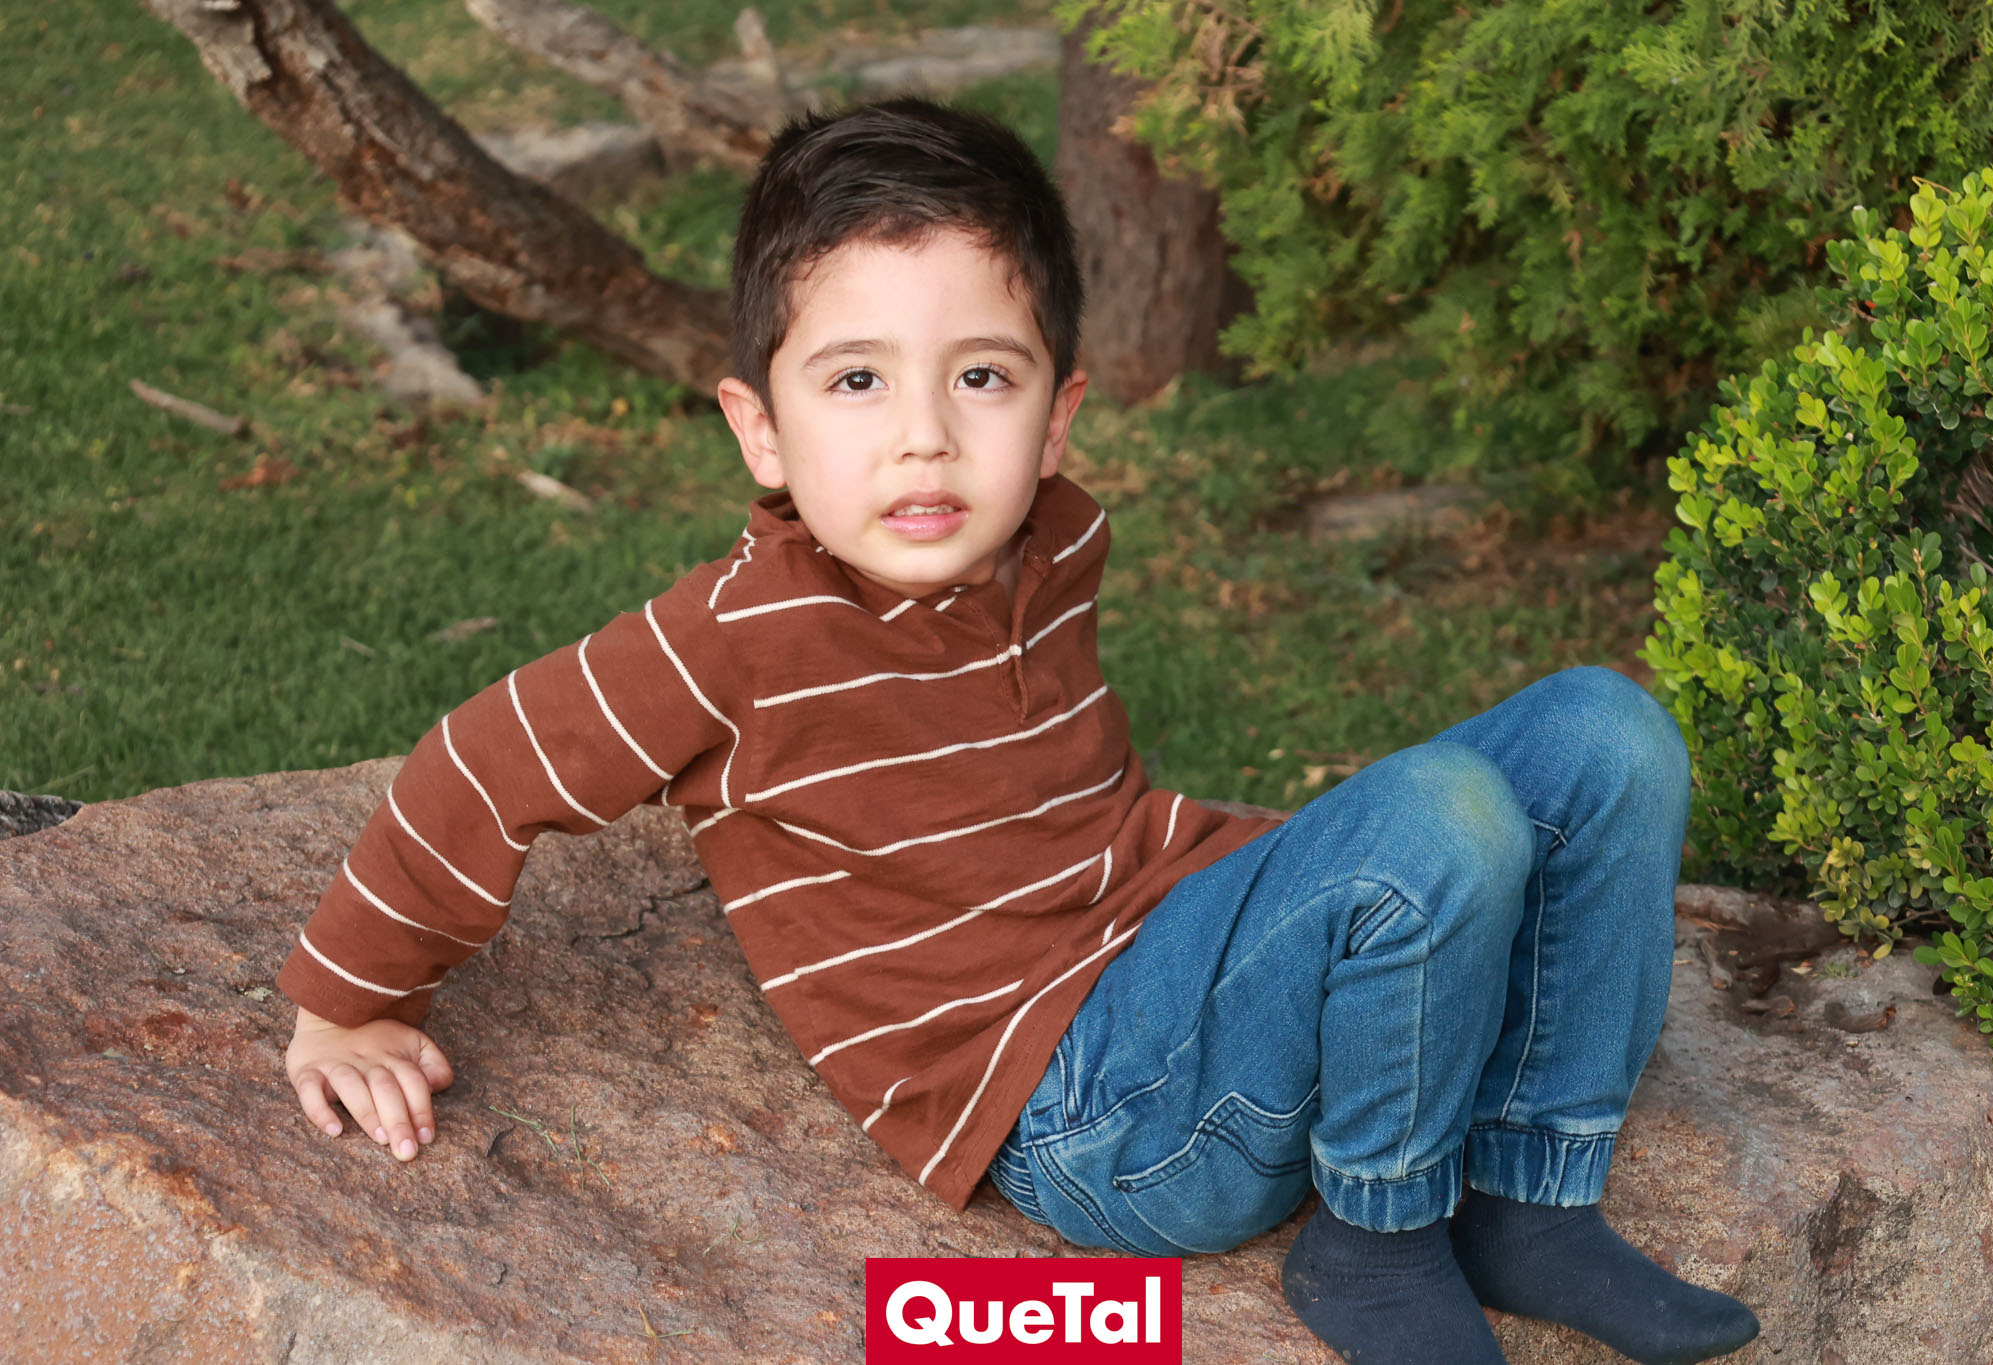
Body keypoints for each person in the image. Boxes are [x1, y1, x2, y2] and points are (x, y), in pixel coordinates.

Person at [277, 96, 1761, 1365]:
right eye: (857, 380)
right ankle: (1373, 1245)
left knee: (1606, 728)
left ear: (1055, 418)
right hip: (1089, 1117)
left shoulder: (1039, 542)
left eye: (980, 376)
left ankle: (1527, 1194)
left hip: (1163, 952)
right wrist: (346, 1002)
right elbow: (479, 763)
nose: (925, 432)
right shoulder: (732, 641)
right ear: (761, 428)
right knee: (1440, 819)